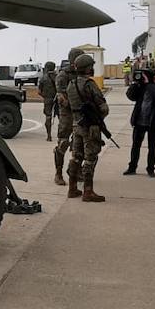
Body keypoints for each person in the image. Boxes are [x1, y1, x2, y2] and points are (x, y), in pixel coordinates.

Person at [65, 53, 107, 202]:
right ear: (88, 68)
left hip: (76, 125)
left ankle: (72, 188)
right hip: (90, 127)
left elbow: (70, 106)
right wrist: (98, 118)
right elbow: (104, 108)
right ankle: (88, 191)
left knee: (76, 157)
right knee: (90, 158)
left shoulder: (71, 84)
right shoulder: (89, 84)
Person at [123, 65, 155, 178]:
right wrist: (136, 83)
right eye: (154, 74)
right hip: (139, 120)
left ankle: (150, 168)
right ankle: (132, 167)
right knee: (135, 145)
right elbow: (130, 96)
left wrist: (148, 84)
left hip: (153, 122)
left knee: (152, 147)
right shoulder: (143, 86)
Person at [52, 47, 85, 187]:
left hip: (80, 113)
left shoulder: (81, 74)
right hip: (67, 114)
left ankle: (75, 171)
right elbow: (60, 96)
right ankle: (58, 174)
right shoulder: (63, 75)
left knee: (80, 143)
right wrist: (74, 105)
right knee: (63, 143)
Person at [37, 61, 57, 143]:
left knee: (48, 117)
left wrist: (44, 96)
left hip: (48, 99)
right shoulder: (58, 77)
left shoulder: (43, 78)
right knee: (62, 117)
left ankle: (49, 136)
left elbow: (39, 91)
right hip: (58, 99)